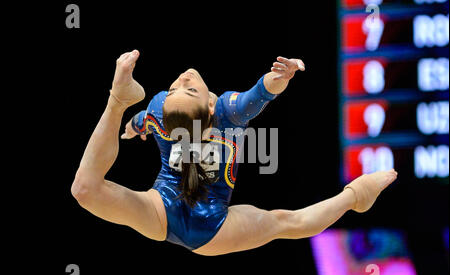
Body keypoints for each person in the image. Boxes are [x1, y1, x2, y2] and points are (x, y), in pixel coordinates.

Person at [71, 50, 398, 256]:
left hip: (201, 225)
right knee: (286, 222)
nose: (182, 79)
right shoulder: (192, 111)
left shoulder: (207, 113)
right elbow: (148, 121)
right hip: (174, 212)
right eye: (178, 89)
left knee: (286, 221)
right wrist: (130, 122)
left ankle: (357, 196)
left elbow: (258, 93)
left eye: (182, 88)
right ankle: (116, 98)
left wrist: (279, 77)